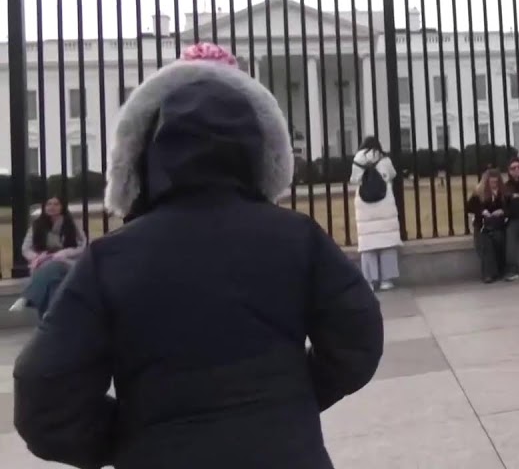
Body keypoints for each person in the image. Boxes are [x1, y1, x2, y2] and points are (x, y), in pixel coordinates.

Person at [13, 42, 383, 469]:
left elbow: (42, 391)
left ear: (145, 158)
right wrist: (289, 401)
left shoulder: (109, 259)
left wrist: (129, 437)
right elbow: (358, 337)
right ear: (259, 152)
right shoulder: (296, 237)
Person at [9, 196, 89, 317]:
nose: (52, 207)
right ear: (44, 207)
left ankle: (27, 296)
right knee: (53, 283)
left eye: (56, 204)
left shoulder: (71, 224)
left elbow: (83, 245)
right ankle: (50, 316)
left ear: (62, 207)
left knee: (54, 264)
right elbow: (26, 248)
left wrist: (66, 252)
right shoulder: (37, 225)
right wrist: (37, 257)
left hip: (67, 262)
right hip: (42, 262)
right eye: (49, 204)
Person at [350, 136, 401, 291]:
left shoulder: (358, 159)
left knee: (367, 244)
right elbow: (392, 174)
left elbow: (354, 180)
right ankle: (387, 280)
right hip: (384, 202)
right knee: (387, 243)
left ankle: (370, 281)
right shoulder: (384, 159)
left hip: (364, 204)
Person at [467, 169, 510, 284]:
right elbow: (470, 208)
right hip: (482, 226)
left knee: (499, 239)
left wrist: (502, 211)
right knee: (486, 244)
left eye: (496, 182)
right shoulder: (479, 193)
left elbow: (510, 209)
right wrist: (482, 211)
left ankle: (500, 270)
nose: (493, 185)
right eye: (491, 182)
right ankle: (489, 274)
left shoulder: (503, 193)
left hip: (499, 225)